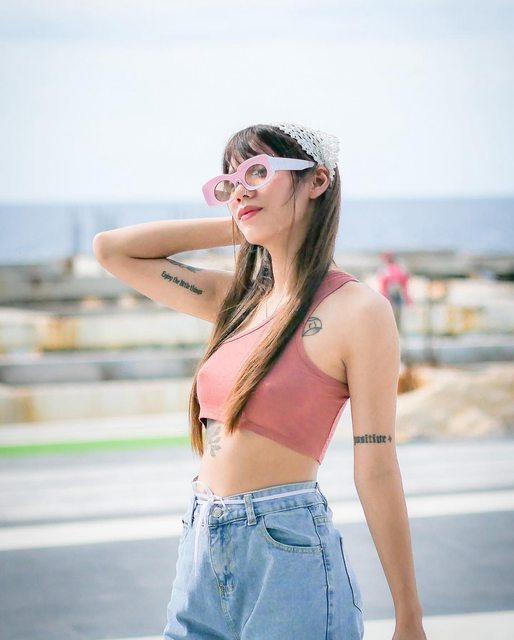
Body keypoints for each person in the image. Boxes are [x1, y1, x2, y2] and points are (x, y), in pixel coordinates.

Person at [92, 122, 427, 639]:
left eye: (258, 172)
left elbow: (377, 468)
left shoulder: (359, 310)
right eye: (229, 182)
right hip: (201, 544)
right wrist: (241, 218)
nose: (239, 190)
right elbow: (112, 250)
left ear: (318, 181)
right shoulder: (237, 301)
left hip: (286, 549)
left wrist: (409, 615)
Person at [377, 251, 413, 333]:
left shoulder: (387, 269)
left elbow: (383, 284)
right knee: (396, 314)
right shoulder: (399, 268)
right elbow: (405, 280)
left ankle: (393, 331)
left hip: (391, 294)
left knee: (392, 314)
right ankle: (396, 331)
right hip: (396, 293)